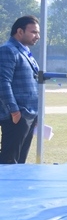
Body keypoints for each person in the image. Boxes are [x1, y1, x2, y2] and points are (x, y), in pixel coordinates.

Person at [0, 16, 41, 164]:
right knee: (9, 162)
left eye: (38, 32)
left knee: (20, 163)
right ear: (20, 31)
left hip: (29, 114)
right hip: (17, 115)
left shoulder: (25, 51)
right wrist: (14, 111)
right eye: (34, 32)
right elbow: (3, 82)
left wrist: (36, 114)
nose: (38, 36)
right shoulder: (7, 50)